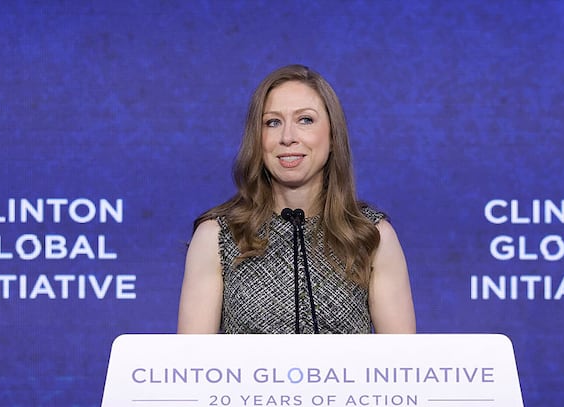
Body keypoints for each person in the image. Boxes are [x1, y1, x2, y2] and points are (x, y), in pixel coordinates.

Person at [177, 65, 415, 334]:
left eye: (305, 120)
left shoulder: (371, 235)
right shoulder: (217, 236)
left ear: (333, 136)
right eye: (272, 122)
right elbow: (191, 367)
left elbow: (401, 366)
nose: (288, 137)